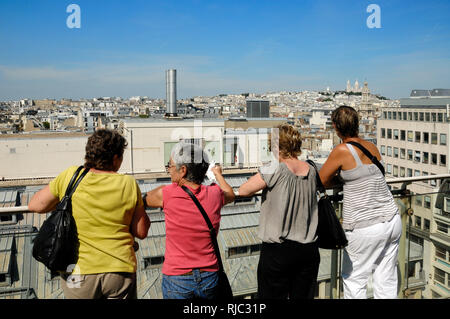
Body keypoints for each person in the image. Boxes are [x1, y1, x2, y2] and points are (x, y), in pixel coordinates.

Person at [28, 129, 150, 299]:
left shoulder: (71, 175)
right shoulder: (128, 183)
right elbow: (141, 232)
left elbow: (35, 205)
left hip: (77, 271)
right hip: (118, 269)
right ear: (115, 158)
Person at [319, 105, 402, 299]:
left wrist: (340, 178)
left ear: (335, 127)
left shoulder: (341, 150)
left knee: (355, 280)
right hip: (392, 219)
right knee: (386, 278)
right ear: (357, 124)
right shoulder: (371, 147)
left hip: (365, 225)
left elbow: (321, 180)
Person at [238, 124, 320, 299]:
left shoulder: (274, 168)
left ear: (277, 147)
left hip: (279, 250)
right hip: (308, 250)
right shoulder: (312, 170)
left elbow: (244, 190)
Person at [144, 142, 235, 299]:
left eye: (170, 166)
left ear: (183, 170)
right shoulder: (214, 194)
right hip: (209, 275)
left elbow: (140, 200)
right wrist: (217, 174)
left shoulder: (166, 194)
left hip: (177, 277)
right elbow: (230, 194)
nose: (169, 170)